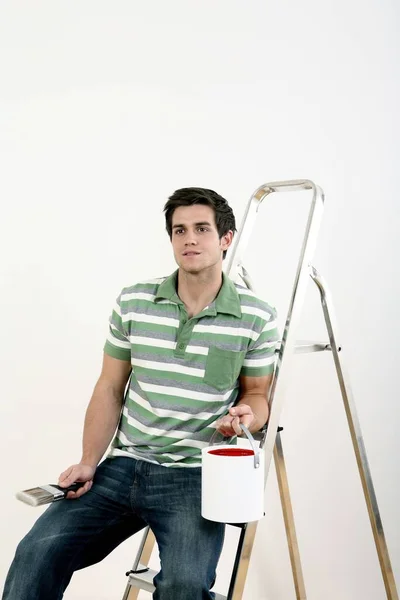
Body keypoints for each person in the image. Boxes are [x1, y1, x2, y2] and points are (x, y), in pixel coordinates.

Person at [2, 187, 279, 600]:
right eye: (179, 230)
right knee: (36, 552)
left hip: (193, 476)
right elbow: (109, 387)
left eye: (202, 229)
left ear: (225, 238)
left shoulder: (257, 316)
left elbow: (257, 395)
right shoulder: (135, 301)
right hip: (122, 466)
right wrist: (88, 462)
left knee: (183, 585)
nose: (189, 239)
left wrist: (245, 416)